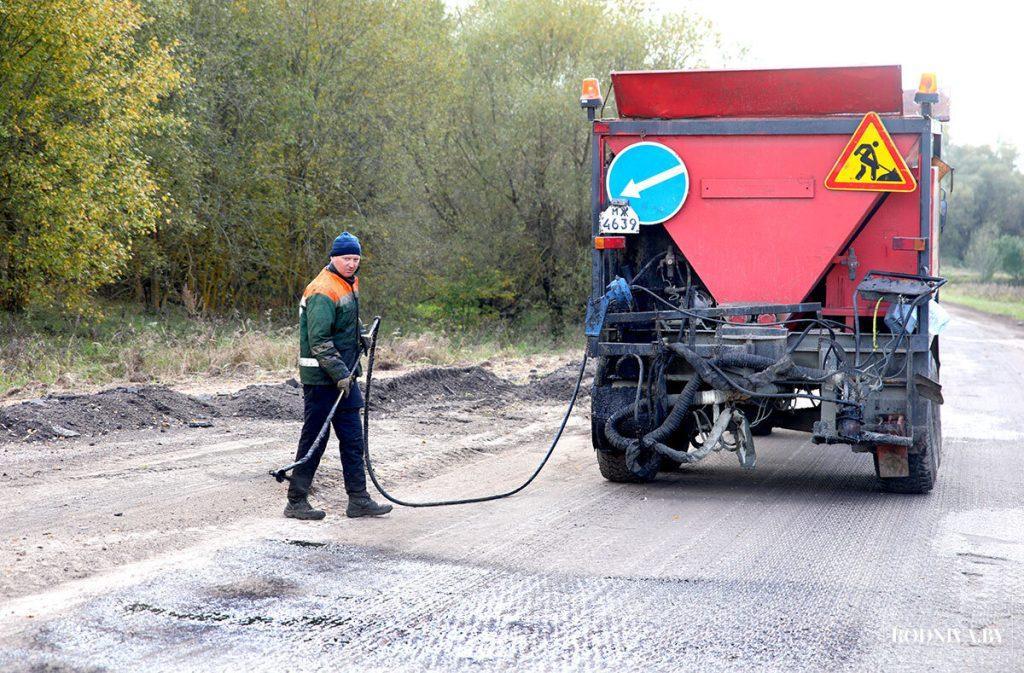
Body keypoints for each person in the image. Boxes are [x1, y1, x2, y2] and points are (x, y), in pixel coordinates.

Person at [284, 231, 393, 520]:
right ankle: (295, 501)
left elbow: (345, 321)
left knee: (353, 439)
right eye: (346, 258)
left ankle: (358, 500)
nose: (351, 264)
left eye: (356, 259)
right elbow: (319, 341)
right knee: (314, 441)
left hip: (344, 378)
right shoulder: (322, 289)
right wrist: (340, 374)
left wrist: (360, 335)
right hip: (322, 381)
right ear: (333, 257)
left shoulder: (348, 283)